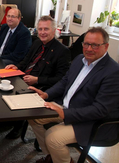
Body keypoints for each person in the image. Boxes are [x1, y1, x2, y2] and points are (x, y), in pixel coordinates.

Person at [27, 27, 119, 163]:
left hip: (92, 122)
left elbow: (100, 109)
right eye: (86, 44)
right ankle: (53, 157)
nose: (89, 49)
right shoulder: (79, 59)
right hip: (67, 108)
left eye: (95, 45)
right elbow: (65, 82)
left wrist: (66, 114)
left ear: (106, 46)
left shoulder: (113, 72)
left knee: (53, 138)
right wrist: (46, 94)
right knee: (33, 116)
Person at [4, 15, 71, 139]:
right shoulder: (37, 43)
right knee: (2, 86)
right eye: (40, 29)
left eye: (46, 29)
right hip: (25, 78)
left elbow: (62, 79)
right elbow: (26, 61)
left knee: (16, 93)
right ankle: (7, 120)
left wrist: (37, 80)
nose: (42, 32)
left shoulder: (62, 51)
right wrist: (17, 67)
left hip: (42, 86)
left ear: (54, 30)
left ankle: (18, 125)